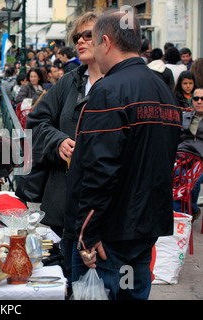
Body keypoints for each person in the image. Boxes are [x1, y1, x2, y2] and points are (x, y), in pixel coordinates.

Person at [64, 11, 181, 300]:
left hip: (108, 233)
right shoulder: (163, 90)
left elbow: (99, 169)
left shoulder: (108, 90)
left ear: (105, 42)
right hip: (144, 228)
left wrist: (87, 233)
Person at [23, 11, 104, 291]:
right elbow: (35, 122)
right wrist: (57, 141)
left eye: (87, 35)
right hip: (63, 203)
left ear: (107, 39)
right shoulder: (70, 81)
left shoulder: (119, 84)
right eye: (76, 37)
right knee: (63, 283)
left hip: (101, 209)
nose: (80, 41)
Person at [174, 87, 203, 220]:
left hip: (201, 159)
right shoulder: (184, 117)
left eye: (202, 99)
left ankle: (191, 210)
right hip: (182, 155)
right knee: (174, 177)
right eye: (196, 98)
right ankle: (178, 213)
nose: (199, 101)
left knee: (191, 180)